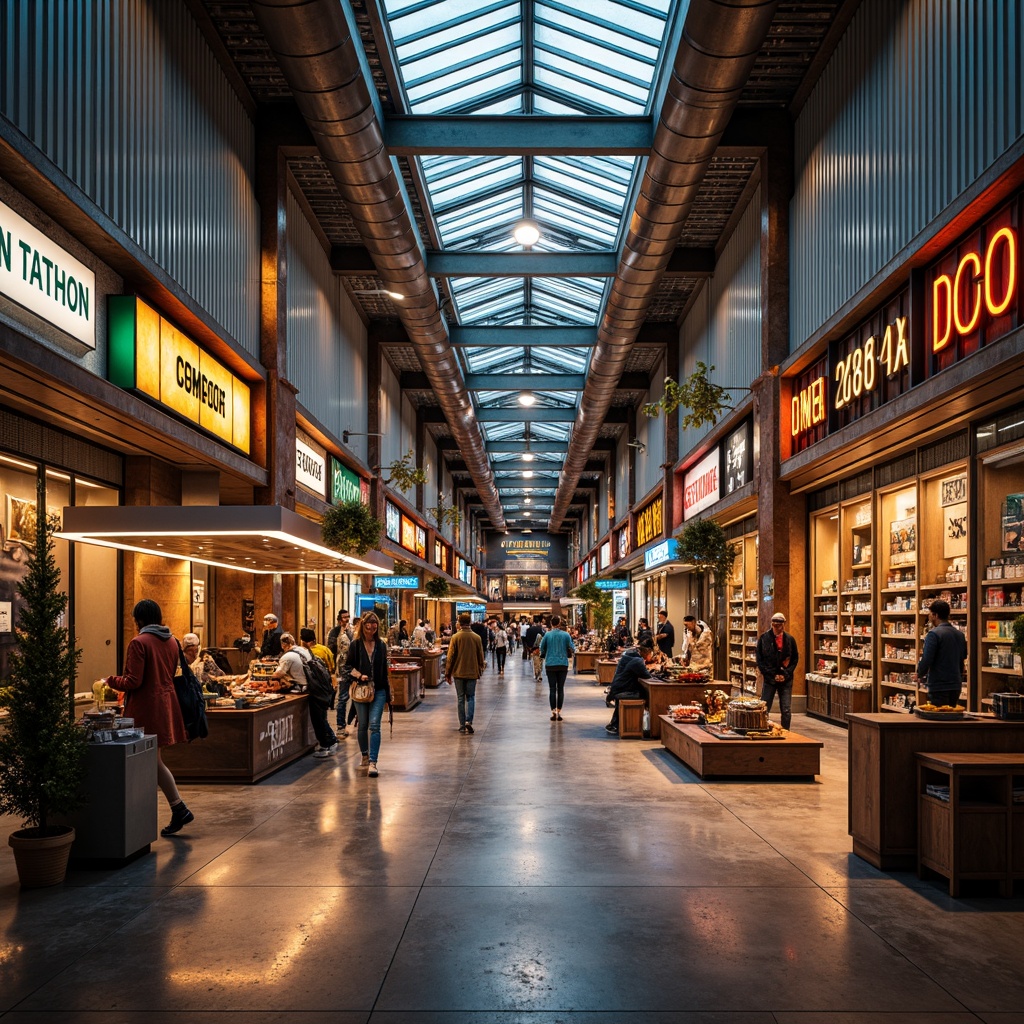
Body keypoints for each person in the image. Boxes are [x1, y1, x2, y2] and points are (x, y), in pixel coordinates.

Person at [104, 599, 193, 837]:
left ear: (139, 619)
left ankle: (175, 808)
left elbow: (133, 681)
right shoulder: (172, 641)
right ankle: (177, 808)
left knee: (151, 760)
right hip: (166, 704)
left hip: (146, 707)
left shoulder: (139, 642)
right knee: (153, 759)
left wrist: (110, 681)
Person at [344, 612, 391, 776]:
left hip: (378, 690)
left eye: (374, 625)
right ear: (362, 626)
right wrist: (359, 675)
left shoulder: (381, 645)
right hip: (361, 690)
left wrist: (388, 696)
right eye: (368, 625)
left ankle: (373, 762)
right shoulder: (355, 645)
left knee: (375, 725)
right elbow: (347, 667)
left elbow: (384, 672)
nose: (371, 628)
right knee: (362, 725)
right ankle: (364, 755)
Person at [278, 632, 337, 758]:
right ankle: (331, 740)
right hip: (319, 687)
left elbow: (278, 674)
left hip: (311, 689)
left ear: (284, 645)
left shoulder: (288, 656)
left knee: (318, 719)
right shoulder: (303, 650)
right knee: (321, 717)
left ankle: (325, 746)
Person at [916, 599, 967, 707]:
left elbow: (927, 659)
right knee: (951, 716)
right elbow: (962, 658)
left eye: (930, 614)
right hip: (955, 685)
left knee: (939, 717)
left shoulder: (933, 634)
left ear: (935, 615)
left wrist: (919, 673)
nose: (929, 617)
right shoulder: (960, 635)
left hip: (939, 685)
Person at [756, 612, 799, 730]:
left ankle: (786, 731)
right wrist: (770, 675)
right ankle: (763, 728)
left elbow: (795, 658)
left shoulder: (790, 640)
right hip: (770, 678)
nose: (776, 627)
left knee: (786, 708)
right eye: (774, 625)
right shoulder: (764, 639)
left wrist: (786, 673)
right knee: (765, 707)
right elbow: (760, 660)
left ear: (783, 625)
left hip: (786, 679)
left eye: (779, 625)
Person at [445, 612, 486, 734]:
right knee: (471, 697)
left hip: (458, 672)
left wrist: (448, 673)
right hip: (472, 672)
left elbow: (450, 657)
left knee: (460, 698)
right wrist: (480, 669)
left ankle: (462, 725)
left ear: (459, 623)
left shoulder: (455, 637)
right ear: (470, 623)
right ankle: (469, 721)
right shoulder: (477, 638)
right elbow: (481, 656)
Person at [605, 640, 657, 733]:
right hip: (624, 689)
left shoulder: (629, 656)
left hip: (618, 688)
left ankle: (615, 724)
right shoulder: (637, 661)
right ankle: (636, 725)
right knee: (644, 694)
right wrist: (654, 668)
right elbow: (647, 676)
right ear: (647, 653)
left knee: (642, 691)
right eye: (651, 654)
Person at [539, 615, 575, 721]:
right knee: (560, 689)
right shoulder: (566, 635)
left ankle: (553, 711)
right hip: (563, 664)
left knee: (552, 689)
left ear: (551, 624)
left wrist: (545, 653)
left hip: (550, 664)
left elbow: (542, 647)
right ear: (559, 623)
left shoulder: (547, 635)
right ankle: (559, 711)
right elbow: (572, 647)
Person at [328, 610, 355, 736]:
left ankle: (360, 722)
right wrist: (333, 669)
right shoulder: (334, 632)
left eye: (348, 617)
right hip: (342, 669)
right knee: (343, 697)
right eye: (344, 617)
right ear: (339, 619)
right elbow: (331, 649)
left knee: (359, 695)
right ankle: (340, 726)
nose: (347, 619)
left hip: (354, 668)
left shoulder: (352, 631)